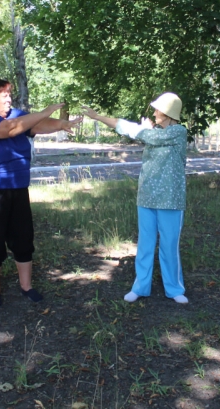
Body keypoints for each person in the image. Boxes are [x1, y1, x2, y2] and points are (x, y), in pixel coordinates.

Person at [0, 79, 81, 307]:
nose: (9, 99)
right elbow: (9, 130)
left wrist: (62, 124)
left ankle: (26, 286)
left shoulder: (18, 115)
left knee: (22, 237)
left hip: (18, 184)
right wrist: (44, 111)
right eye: (4, 95)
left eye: (9, 94)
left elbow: (39, 124)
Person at [82, 93, 189, 304]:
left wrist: (144, 130)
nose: (154, 113)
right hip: (147, 196)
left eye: (158, 109)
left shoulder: (178, 132)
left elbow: (147, 136)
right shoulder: (151, 131)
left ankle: (175, 289)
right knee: (145, 244)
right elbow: (125, 127)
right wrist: (98, 117)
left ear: (168, 113)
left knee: (169, 245)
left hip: (171, 199)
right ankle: (140, 287)